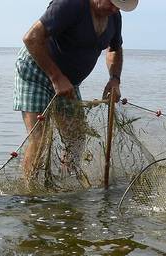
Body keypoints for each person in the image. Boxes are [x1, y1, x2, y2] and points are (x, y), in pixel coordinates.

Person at [13, 0, 138, 180]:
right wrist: (56, 77)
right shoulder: (71, 4)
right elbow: (31, 38)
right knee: (40, 139)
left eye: (119, 6)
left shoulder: (114, 17)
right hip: (36, 71)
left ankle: (66, 184)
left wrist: (114, 79)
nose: (115, 9)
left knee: (76, 139)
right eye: (112, 3)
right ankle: (30, 196)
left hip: (69, 82)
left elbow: (115, 49)